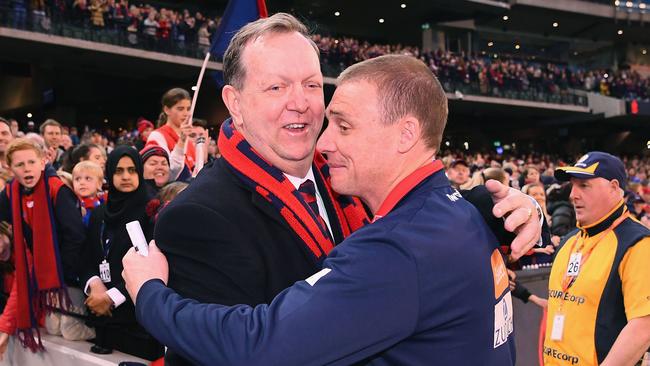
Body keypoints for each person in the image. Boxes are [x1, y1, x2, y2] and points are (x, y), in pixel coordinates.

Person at [127, 13, 540, 366]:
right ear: (234, 102)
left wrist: (501, 210)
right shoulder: (196, 217)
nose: (303, 104)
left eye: (310, 84)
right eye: (276, 87)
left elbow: (414, 238)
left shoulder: (356, 180)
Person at [544, 152, 650, 365]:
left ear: (613, 188)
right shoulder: (569, 240)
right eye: (573, 185)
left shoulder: (637, 243)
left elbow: (643, 326)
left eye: (584, 186)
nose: (573, 194)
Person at [0, 138, 90, 358]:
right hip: (39, 274)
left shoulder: (57, 189)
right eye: (20, 165)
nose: (26, 168)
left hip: (66, 276)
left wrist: (60, 274)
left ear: (43, 162)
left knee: (67, 329)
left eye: (31, 162)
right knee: (50, 327)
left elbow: (75, 237)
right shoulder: (11, 192)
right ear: (10, 168)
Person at [81, 146, 163, 360]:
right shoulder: (100, 212)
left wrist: (111, 297)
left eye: (132, 170)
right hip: (101, 317)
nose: (126, 176)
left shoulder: (152, 210)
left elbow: (153, 267)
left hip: (138, 321)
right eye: (118, 171)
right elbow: (86, 256)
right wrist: (95, 286)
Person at [146, 88, 195, 182]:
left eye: (188, 109)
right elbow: (167, 173)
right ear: (167, 110)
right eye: (180, 109)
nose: (186, 113)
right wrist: (181, 141)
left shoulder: (189, 138)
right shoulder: (157, 136)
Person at [72, 161, 105, 226]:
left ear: (99, 183)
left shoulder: (105, 202)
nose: (82, 182)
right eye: (77, 179)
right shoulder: (73, 203)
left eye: (88, 178)